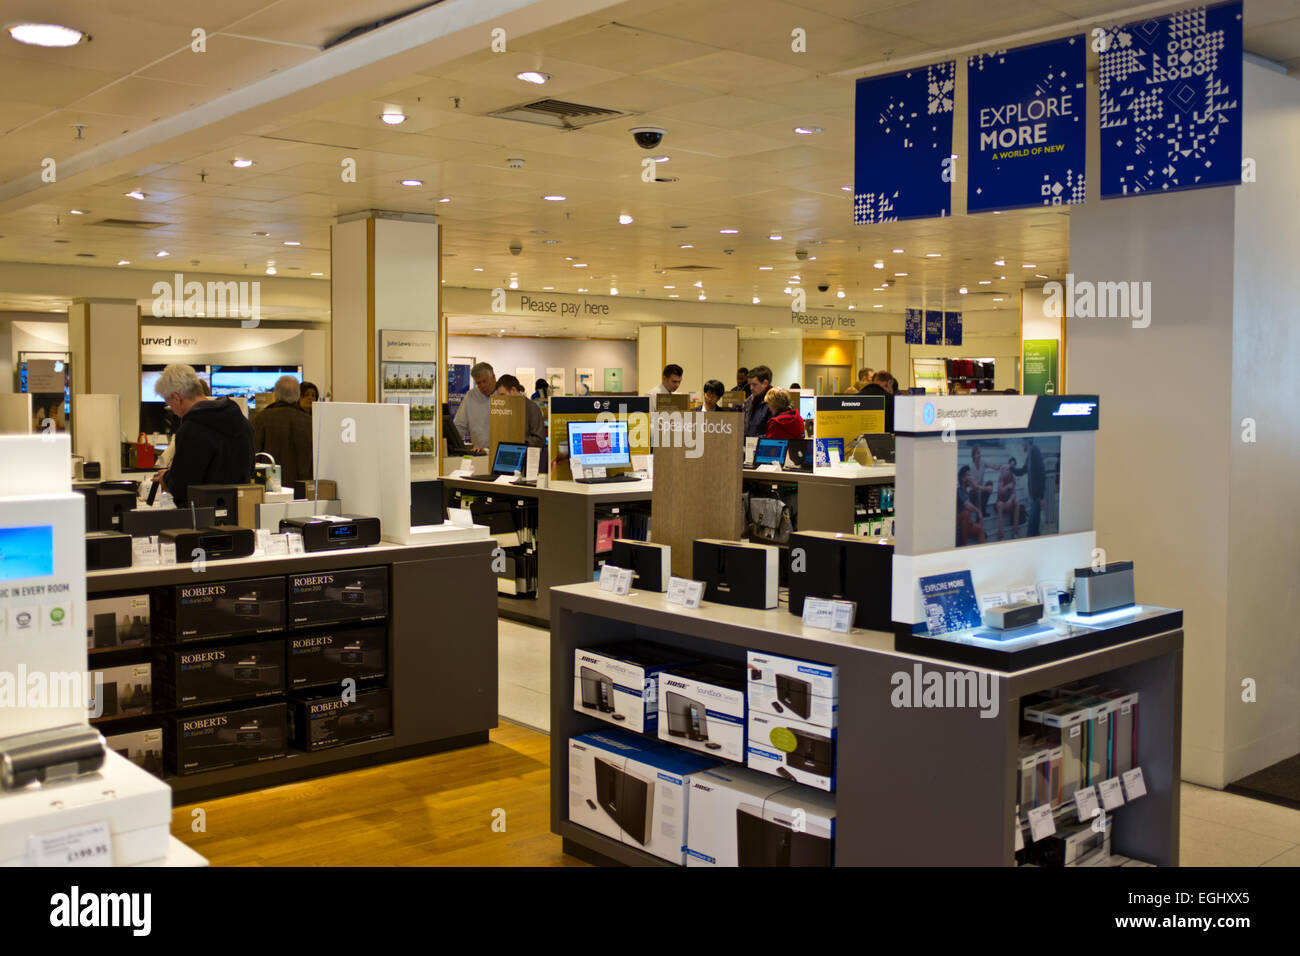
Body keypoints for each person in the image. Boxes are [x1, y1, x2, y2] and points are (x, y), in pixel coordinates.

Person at [151, 363, 253, 506]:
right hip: (241, 510)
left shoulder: (191, 429)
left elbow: (182, 487)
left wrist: (166, 478)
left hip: (203, 515)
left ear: (177, 398)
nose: (172, 411)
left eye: (169, 404)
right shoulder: (242, 422)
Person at [253, 375, 313, 489]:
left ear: (275, 394)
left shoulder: (261, 419)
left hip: (269, 489)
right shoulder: (309, 422)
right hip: (303, 491)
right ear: (298, 395)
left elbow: (254, 456)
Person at [453, 362, 496, 453]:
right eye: (478, 383)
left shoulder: (503, 394)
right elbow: (459, 426)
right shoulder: (470, 396)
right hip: (479, 453)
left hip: (500, 452)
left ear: (493, 377)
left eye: (485, 381)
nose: (482, 386)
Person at [494, 374, 546, 447]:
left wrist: (519, 441)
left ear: (513, 390)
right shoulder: (504, 408)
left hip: (526, 455)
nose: (501, 399)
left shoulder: (531, 408)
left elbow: (540, 440)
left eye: (503, 395)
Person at [1012, 438, 1047, 537]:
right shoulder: (1029, 456)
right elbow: (1022, 471)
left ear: (1027, 442)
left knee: (1031, 530)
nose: (1022, 445)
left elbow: (1041, 474)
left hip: (1037, 497)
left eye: (1022, 443)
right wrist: (1011, 468)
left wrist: (1042, 498)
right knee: (1034, 529)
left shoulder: (1035, 451)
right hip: (1033, 497)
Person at [957, 465, 986, 545]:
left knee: (980, 529)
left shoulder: (968, 492)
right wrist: (978, 512)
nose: (971, 477)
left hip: (968, 524)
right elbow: (967, 505)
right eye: (968, 475)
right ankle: (964, 545)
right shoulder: (958, 491)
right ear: (963, 479)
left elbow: (978, 489)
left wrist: (975, 485)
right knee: (966, 513)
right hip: (958, 525)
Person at [743, 365, 773, 437]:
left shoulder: (774, 404)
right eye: (750, 384)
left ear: (765, 383)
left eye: (754, 384)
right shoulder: (748, 401)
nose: (751, 388)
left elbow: (773, 433)